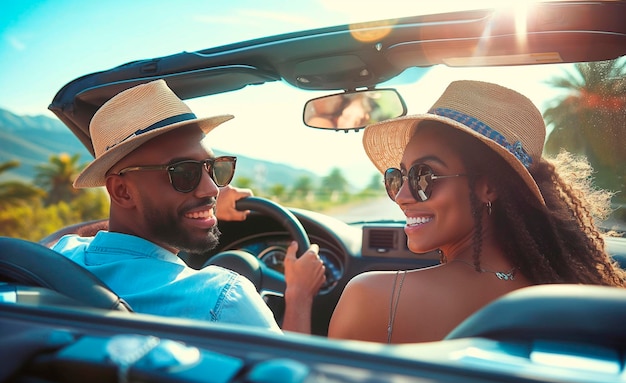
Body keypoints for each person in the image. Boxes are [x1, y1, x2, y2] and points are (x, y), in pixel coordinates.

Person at [328, 80, 626, 344]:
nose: (402, 196)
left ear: (489, 186)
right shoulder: (573, 297)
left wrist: (300, 298)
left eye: (424, 176)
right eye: (397, 177)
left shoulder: (372, 298)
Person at [52, 79, 325, 334]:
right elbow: (291, 380)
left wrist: (192, 208)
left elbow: (66, 235)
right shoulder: (222, 300)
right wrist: (300, 295)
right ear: (122, 191)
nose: (212, 189)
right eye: (183, 173)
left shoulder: (58, 258)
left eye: (213, 168)